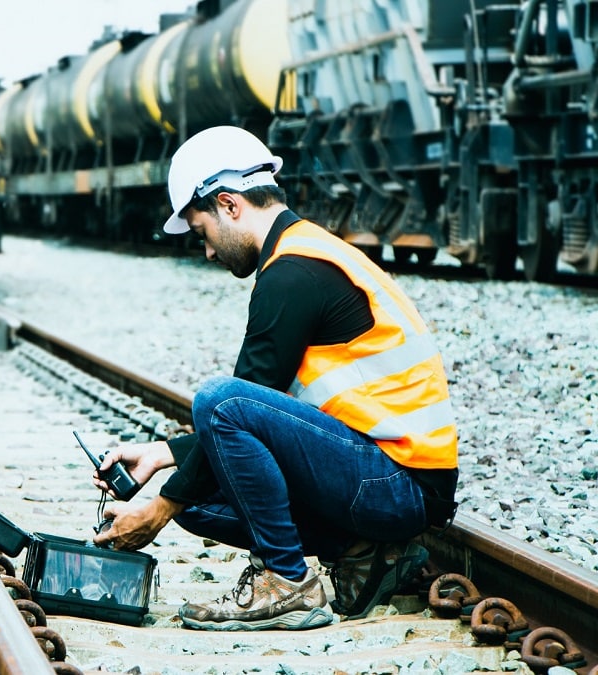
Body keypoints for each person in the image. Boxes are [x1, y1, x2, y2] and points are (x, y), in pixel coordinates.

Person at [91, 126, 459, 631]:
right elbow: (260, 421)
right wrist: (162, 455)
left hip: (397, 482)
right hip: (381, 476)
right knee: (195, 500)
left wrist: (157, 509)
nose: (210, 253)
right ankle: (362, 554)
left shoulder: (294, 273)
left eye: (203, 233)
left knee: (217, 403)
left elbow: (235, 408)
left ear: (229, 205)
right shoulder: (303, 255)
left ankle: (286, 582)